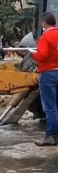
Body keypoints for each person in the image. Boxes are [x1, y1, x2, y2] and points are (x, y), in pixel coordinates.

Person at [30, 12, 58, 146]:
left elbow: (42, 56)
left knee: (50, 107)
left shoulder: (45, 37)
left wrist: (33, 54)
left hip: (48, 74)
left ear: (44, 23)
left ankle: (51, 136)